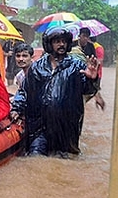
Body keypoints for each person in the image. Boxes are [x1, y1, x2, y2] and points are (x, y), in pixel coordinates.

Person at [10, 27, 99, 157]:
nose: (61, 44)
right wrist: (16, 108)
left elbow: (88, 91)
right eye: (57, 41)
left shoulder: (77, 66)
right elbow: (25, 91)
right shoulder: (37, 67)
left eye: (64, 41)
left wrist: (92, 79)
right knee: (35, 159)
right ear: (49, 44)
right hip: (39, 127)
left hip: (66, 128)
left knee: (65, 162)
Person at [91, 37, 106, 110]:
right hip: (91, 74)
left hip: (96, 74)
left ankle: (100, 100)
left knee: (94, 91)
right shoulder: (90, 47)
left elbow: (100, 61)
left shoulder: (98, 48)